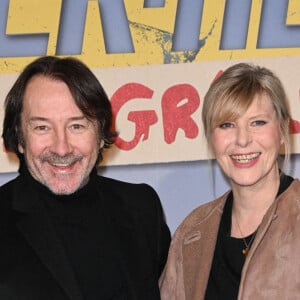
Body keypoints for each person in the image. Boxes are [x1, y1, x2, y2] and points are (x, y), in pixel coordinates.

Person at [0, 55, 171, 300]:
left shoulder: (141, 208)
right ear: (19, 139)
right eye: (42, 127)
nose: (62, 148)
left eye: (77, 126)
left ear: (101, 133)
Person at [159, 62, 300, 299]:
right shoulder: (192, 232)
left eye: (257, 122)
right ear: (211, 138)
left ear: (283, 131)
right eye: (227, 125)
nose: (242, 140)